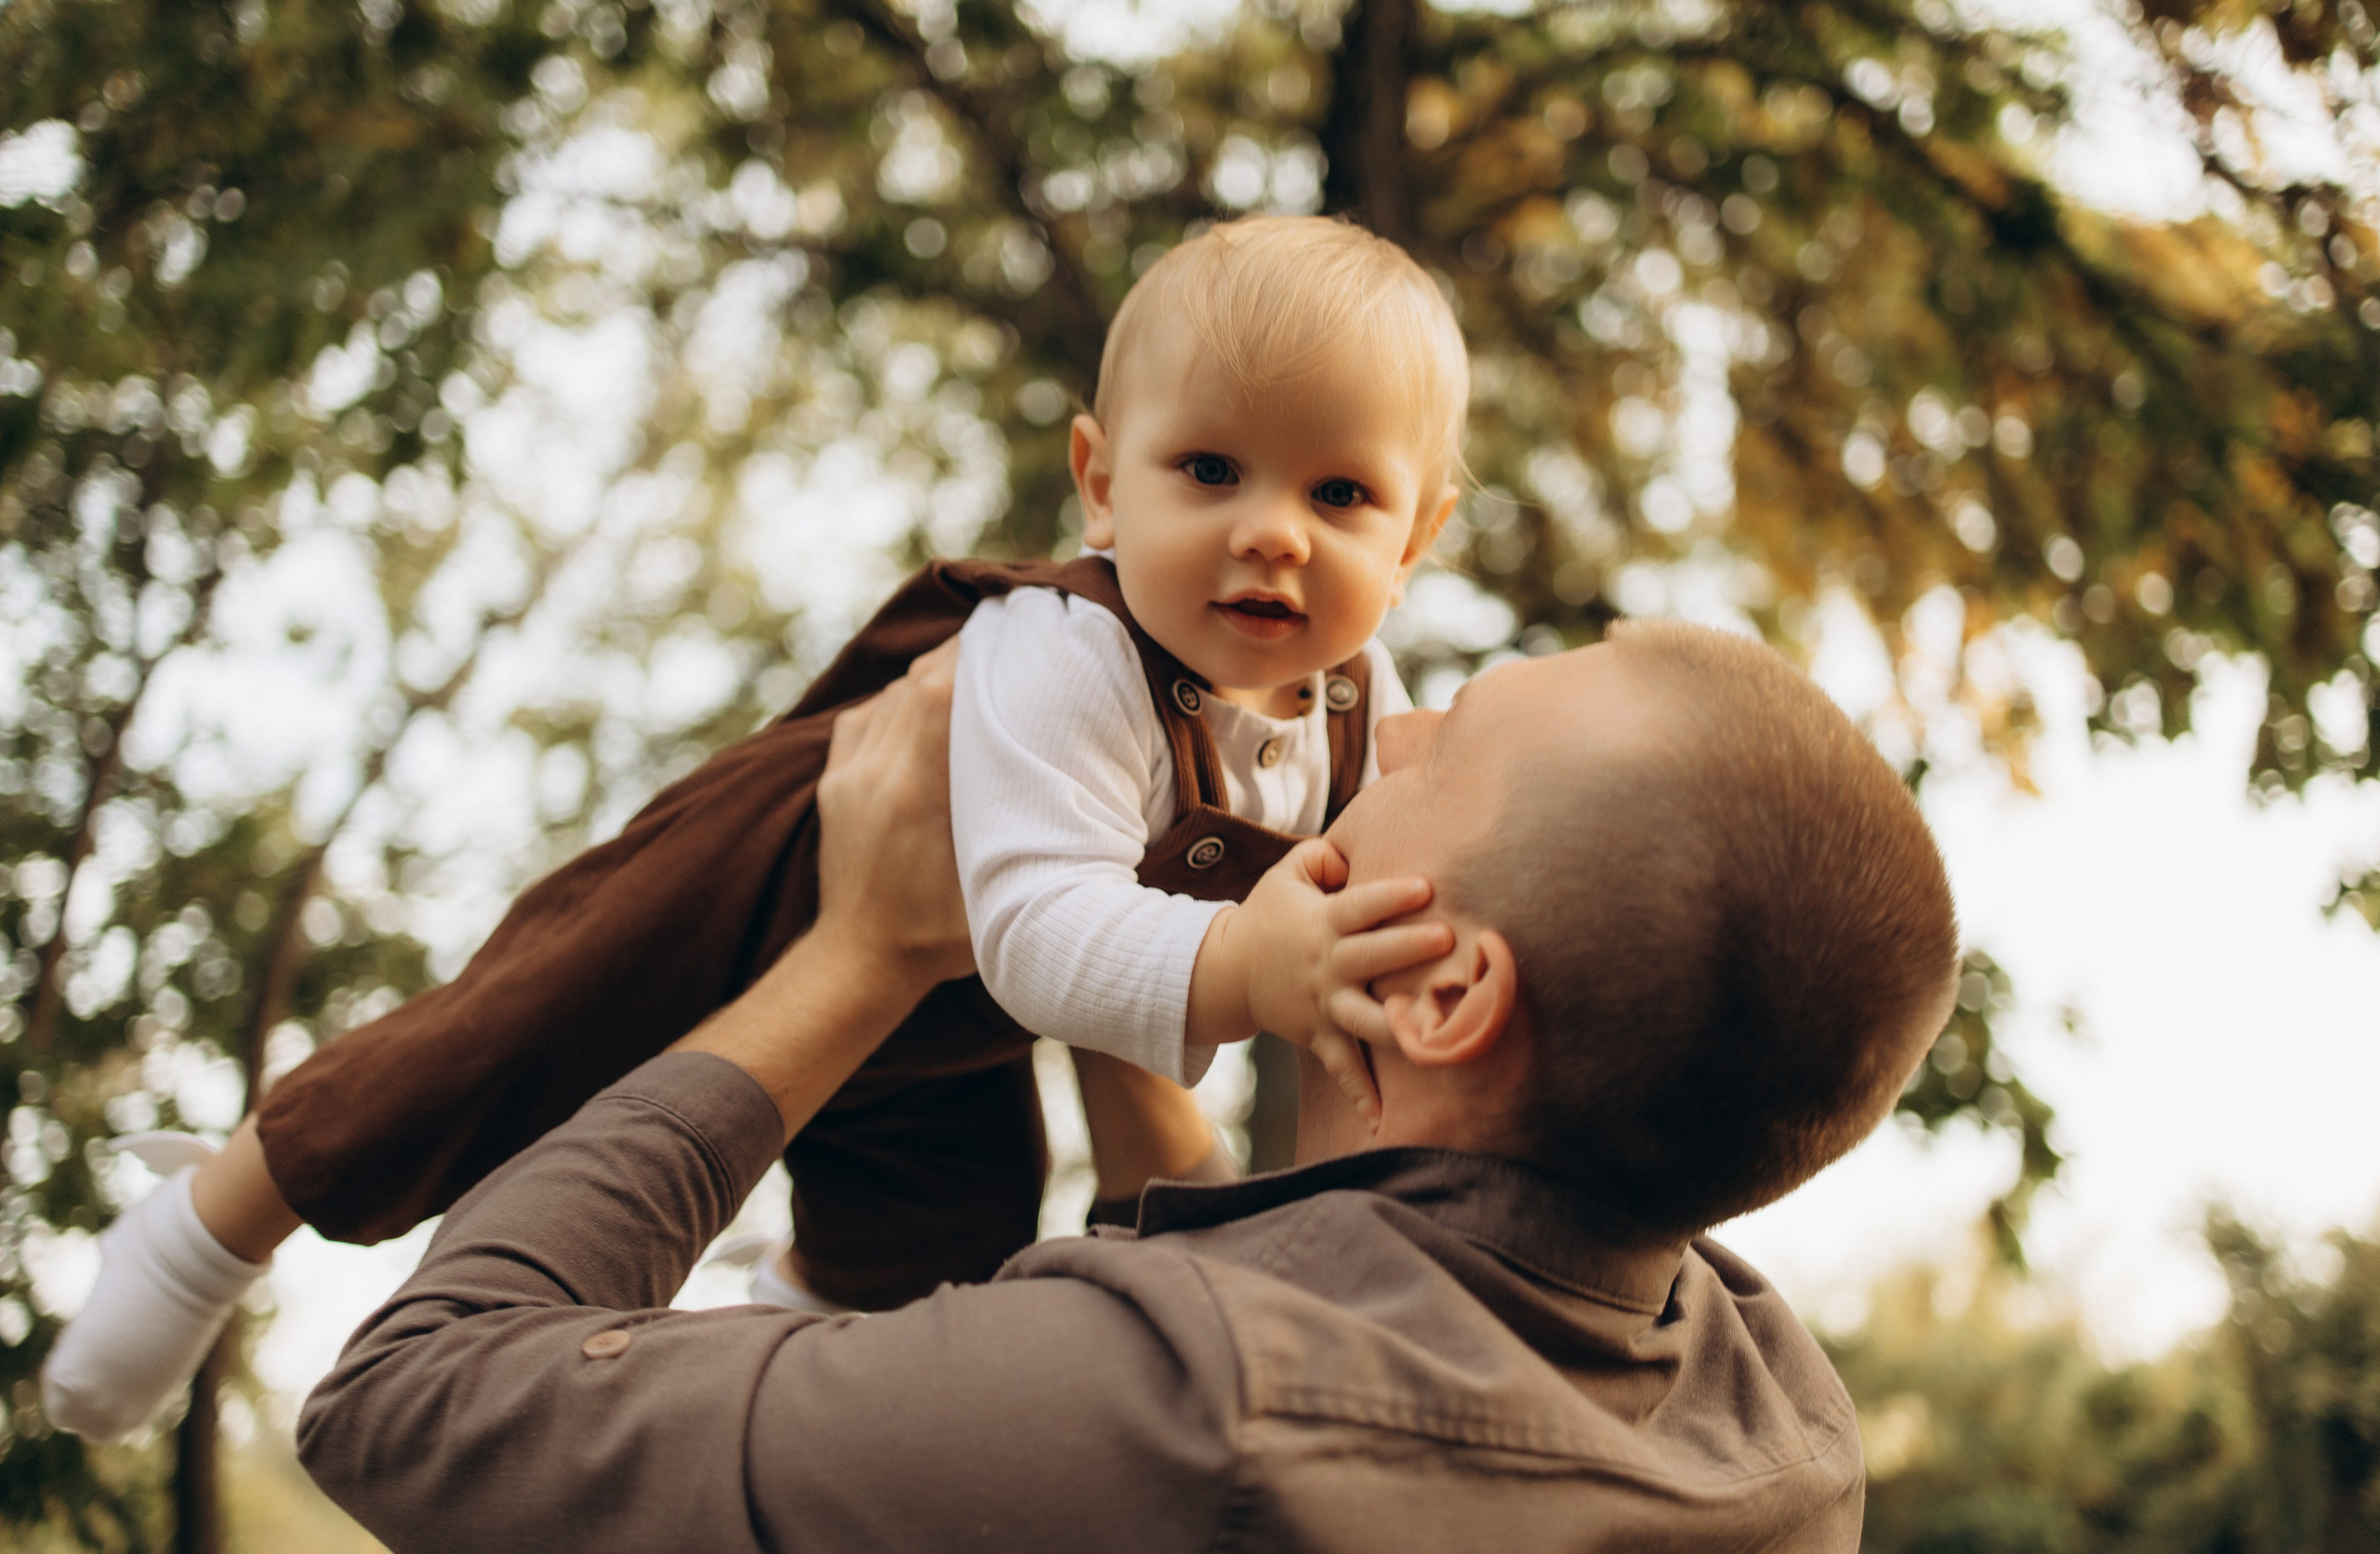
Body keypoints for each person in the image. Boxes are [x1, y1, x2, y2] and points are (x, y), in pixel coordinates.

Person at [43, 216, 1467, 1438]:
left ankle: (778, 1340)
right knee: (509, 1041)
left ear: (1412, 544)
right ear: (1100, 483)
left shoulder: (1363, 705)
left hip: (949, 1021)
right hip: (772, 889)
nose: (1272, 530)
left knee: (941, 1247)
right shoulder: (1070, 647)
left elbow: (1393, 878)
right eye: (1209, 470)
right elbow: (1039, 928)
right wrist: (1250, 971)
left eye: (1340, 493)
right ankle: (211, 1223)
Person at [298, 614, 1959, 1553]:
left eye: (1451, 746)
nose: (1397, 723)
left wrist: (861, 954)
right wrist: (1132, 976)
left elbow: (412, 1403)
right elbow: (1308, 1301)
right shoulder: (1776, 1423)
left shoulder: (1168, 1421)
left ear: (1443, 988)